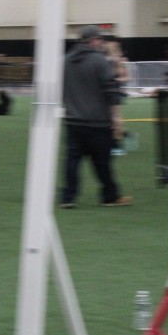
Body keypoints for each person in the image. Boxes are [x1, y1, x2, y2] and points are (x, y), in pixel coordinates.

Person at [60, 25, 131, 209]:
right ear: (93, 41)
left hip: (73, 120)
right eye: (100, 40)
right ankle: (109, 196)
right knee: (102, 162)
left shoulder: (66, 60)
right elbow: (111, 90)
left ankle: (68, 197)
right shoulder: (99, 60)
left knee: (72, 161)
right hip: (98, 122)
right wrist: (116, 118)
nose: (101, 43)